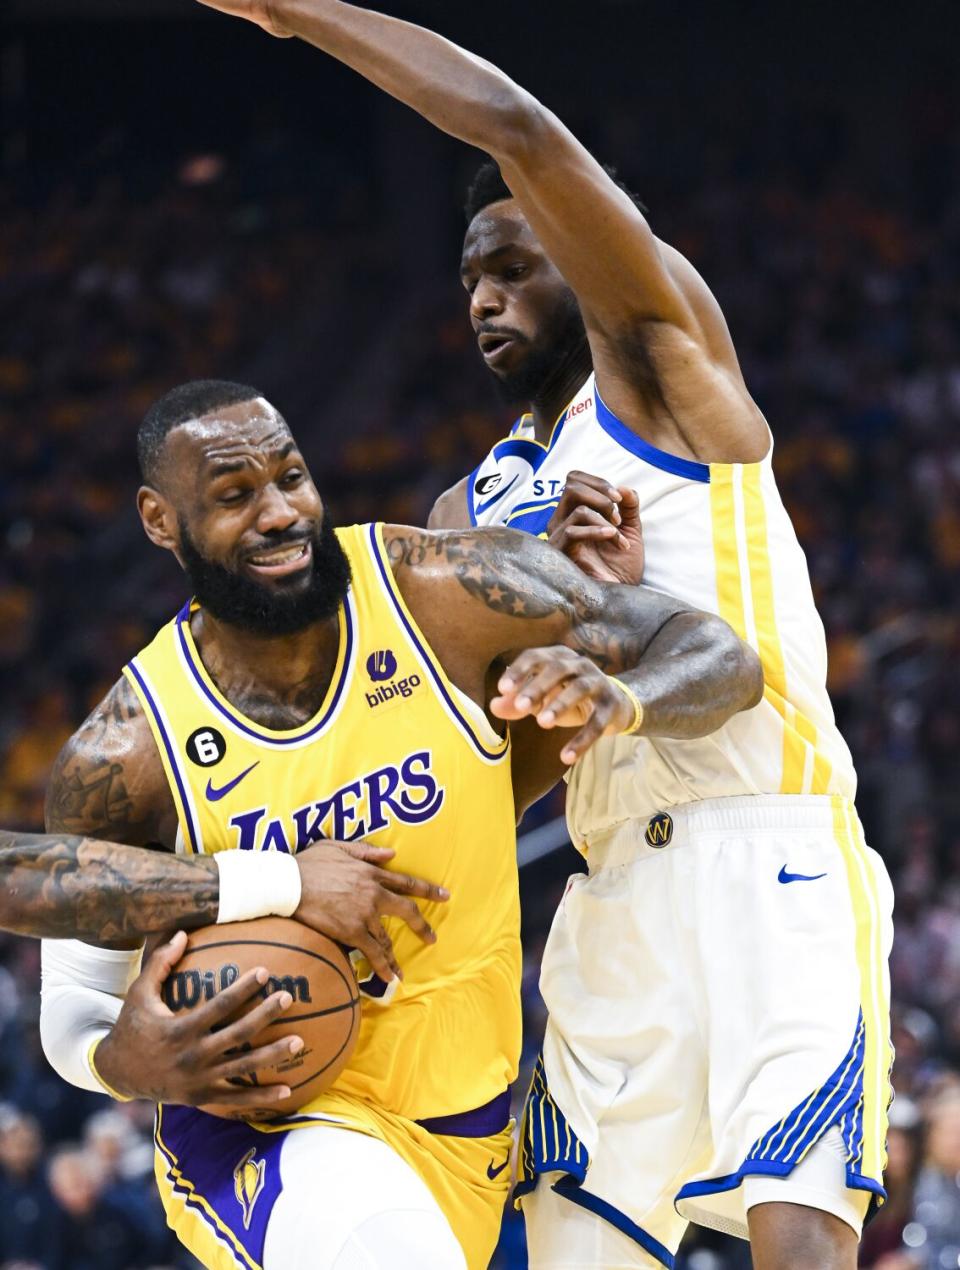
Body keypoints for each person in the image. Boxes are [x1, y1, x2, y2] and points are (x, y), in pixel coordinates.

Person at [192, 4, 895, 1268]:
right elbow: (463, 731)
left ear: (593, 254)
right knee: (576, 1248)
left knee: (800, 1241)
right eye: (467, 274)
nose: (483, 294)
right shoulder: (470, 508)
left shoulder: (670, 371)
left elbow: (513, 124)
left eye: (514, 261)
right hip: (607, 888)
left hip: (768, 854)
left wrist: (296, 16)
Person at [40, 379, 760, 1270]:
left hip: (474, 1118)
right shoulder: (127, 752)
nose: (279, 514)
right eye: (234, 497)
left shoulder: (442, 591)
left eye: (291, 478)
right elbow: (72, 1000)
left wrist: (624, 694)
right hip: (271, 1128)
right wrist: (119, 1062)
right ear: (160, 519)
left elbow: (721, 657)